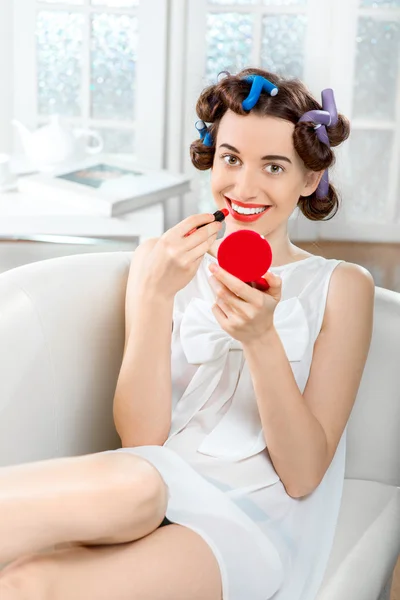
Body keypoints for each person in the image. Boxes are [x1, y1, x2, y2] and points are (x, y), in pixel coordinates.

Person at [0, 68, 375, 600]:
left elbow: (304, 475)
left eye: (274, 166)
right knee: (45, 557)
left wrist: (262, 338)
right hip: (146, 486)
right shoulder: (164, 262)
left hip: (247, 524)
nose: (244, 187)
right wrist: (153, 295)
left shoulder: (341, 286)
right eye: (231, 159)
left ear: (310, 178)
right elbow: (140, 441)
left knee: (34, 582)